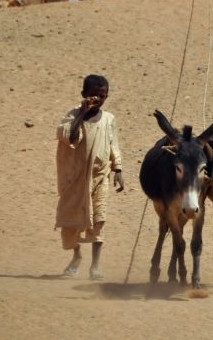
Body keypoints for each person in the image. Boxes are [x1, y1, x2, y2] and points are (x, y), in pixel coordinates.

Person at [55, 74, 124, 280]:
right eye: (93, 95)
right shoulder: (72, 115)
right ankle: (76, 256)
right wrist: (81, 114)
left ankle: (95, 265)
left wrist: (118, 169)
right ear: (84, 95)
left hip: (99, 177)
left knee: (99, 219)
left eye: (102, 96)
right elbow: (69, 137)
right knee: (71, 221)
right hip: (74, 180)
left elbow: (113, 144)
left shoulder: (109, 119)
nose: (98, 100)